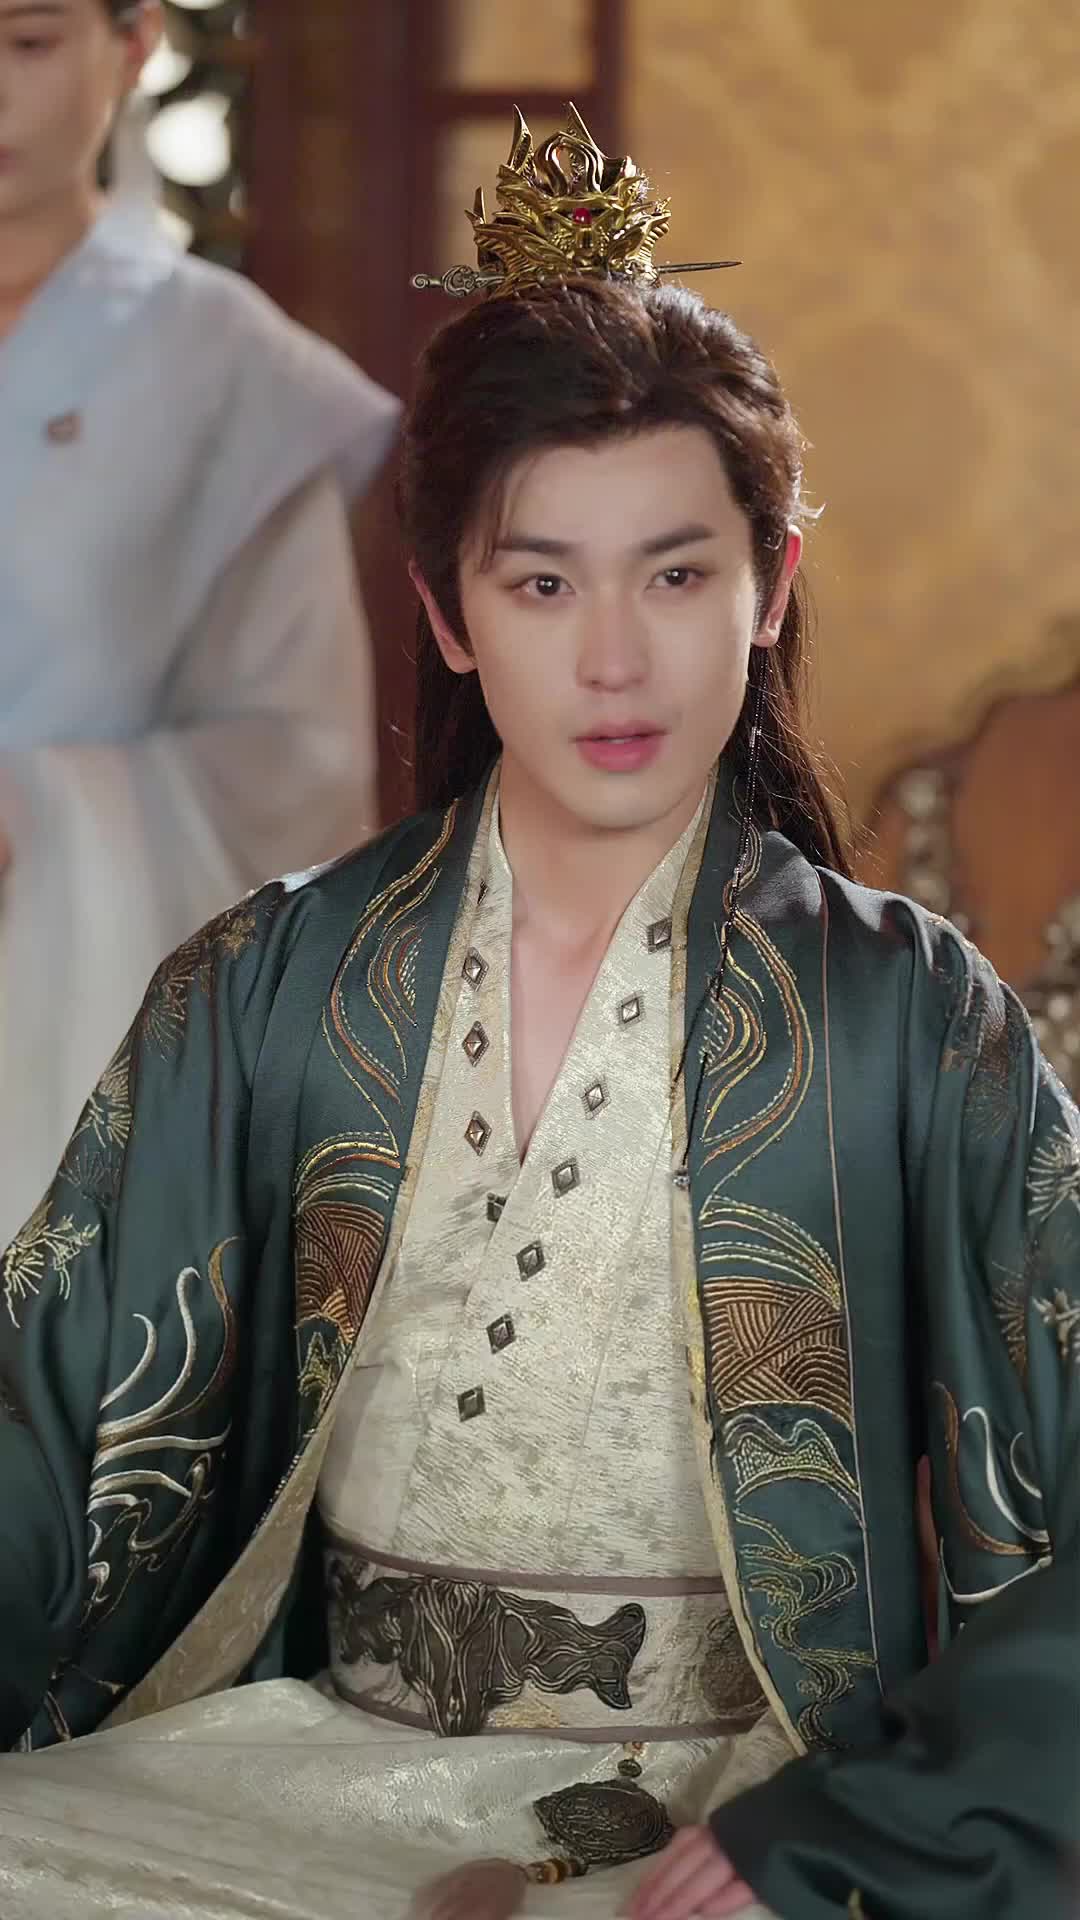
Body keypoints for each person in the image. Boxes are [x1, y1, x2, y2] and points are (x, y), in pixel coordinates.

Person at [0, 105, 1075, 1920]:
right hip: (298, 1770)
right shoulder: (270, 990)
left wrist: (853, 1835)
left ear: (770, 589)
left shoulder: (908, 1021)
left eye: (676, 573)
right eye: (542, 581)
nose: (612, 657)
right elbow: (40, 1436)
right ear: (446, 611)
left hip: (729, 1808)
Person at [0, 0, 398, 1245]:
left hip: (79, 1014)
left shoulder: (227, 373)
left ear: (132, 48)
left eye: (25, 42)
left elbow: (302, 766)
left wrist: (42, 811)